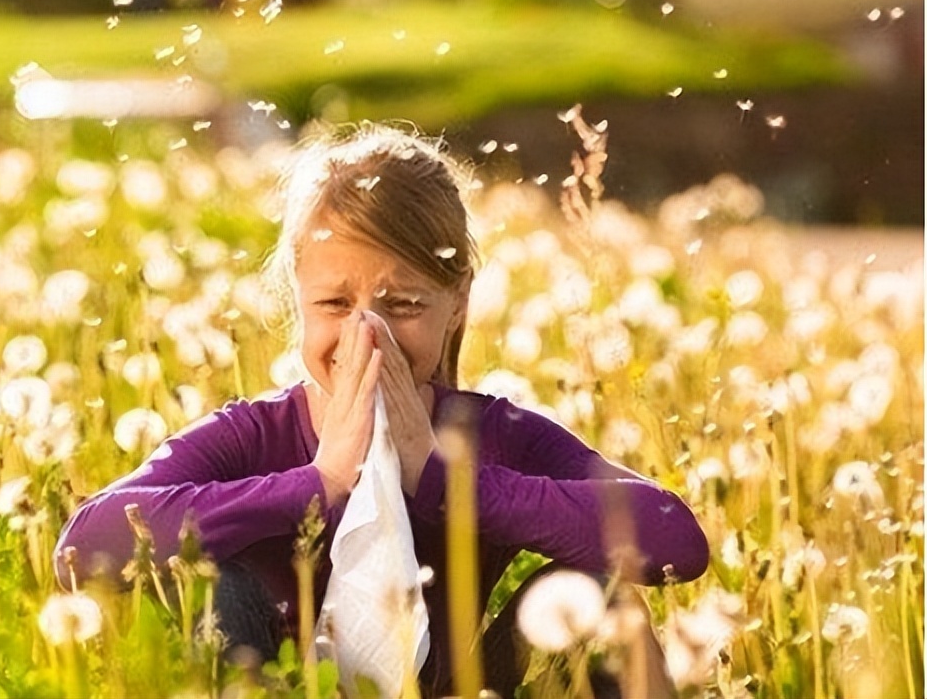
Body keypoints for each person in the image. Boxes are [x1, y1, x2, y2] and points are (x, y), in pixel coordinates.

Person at [53, 123, 710, 697]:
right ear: (297, 300)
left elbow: (674, 541)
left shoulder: (491, 434)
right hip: (274, 691)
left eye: (402, 306)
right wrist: (319, 485)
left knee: (606, 602)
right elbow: (83, 549)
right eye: (335, 306)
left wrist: (445, 480)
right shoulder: (253, 435)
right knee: (216, 586)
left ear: (458, 303)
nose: (367, 336)